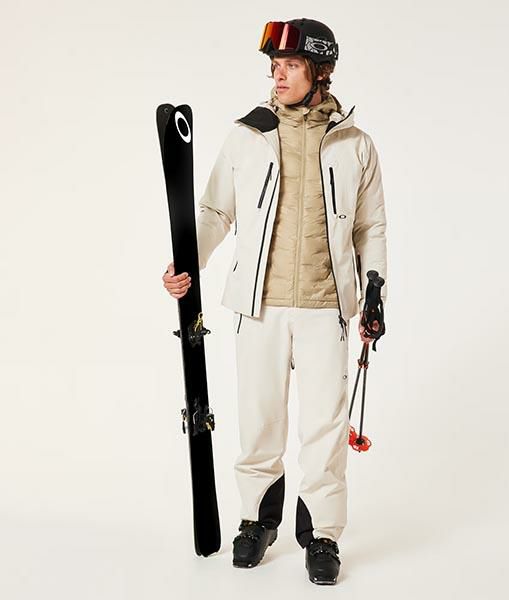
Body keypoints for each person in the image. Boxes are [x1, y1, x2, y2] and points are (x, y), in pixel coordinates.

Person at [162, 18, 387, 585]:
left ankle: (322, 534)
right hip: (258, 305)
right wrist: (189, 261)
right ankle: (256, 522)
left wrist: (375, 292)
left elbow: (371, 227)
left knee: (324, 427)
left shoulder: (355, 144)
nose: (277, 75)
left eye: (289, 65)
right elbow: (215, 211)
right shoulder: (248, 135)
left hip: (325, 307)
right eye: (274, 66)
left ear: (320, 71)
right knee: (260, 418)